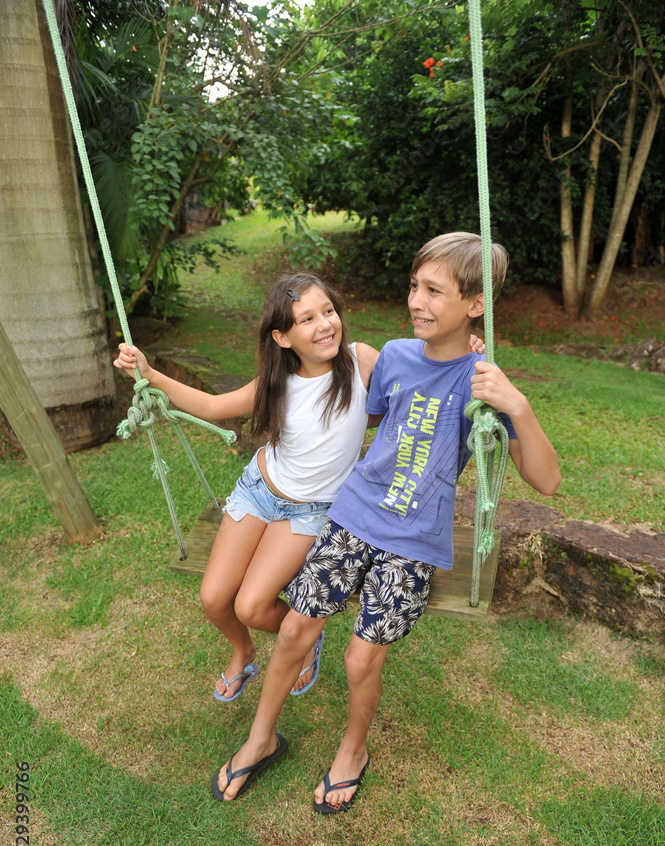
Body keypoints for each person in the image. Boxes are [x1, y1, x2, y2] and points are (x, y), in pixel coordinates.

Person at [212, 232, 561, 810]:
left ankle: (353, 751)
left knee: (360, 659)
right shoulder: (396, 356)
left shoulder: (483, 384)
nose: (415, 302)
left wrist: (517, 405)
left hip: (413, 541)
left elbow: (545, 480)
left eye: (433, 291)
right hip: (352, 516)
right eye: (413, 287)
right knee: (295, 630)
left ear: (476, 304)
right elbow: (363, 416)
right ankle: (260, 738)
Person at [115, 272, 485, 703]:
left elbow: (419, 369)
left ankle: (304, 639)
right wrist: (150, 374)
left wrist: (467, 346)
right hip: (258, 491)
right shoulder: (277, 382)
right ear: (283, 337)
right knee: (214, 599)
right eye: (307, 319)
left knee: (251, 606)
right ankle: (242, 651)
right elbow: (214, 406)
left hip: (312, 511)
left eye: (328, 311)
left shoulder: (363, 360)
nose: (324, 324)